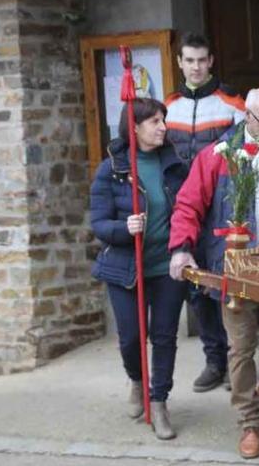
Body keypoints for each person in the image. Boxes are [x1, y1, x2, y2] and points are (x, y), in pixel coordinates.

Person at [168, 88, 259, 459]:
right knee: (241, 350)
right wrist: (181, 248)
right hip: (236, 265)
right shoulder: (217, 155)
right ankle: (249, 423)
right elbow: (188, 204)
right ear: (248, 117)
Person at [90, 98, 189, 440]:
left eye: (164, 120)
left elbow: (188, 210)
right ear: (134, 127)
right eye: (155, 122)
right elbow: (98, 223)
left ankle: (159, 400)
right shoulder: (112, 169)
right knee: (132, 336)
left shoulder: (174, 164)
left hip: (166, 267)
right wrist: (124, 228)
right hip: (125, 269)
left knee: (164, 336)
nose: (163, 127)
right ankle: (137, 379)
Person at [165, 32, 246, 394]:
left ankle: (236, 359)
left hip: (223, 211)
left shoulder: (233, 104)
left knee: (227, 286)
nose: (196, 67)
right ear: (179, 62)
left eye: (202, 60)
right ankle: (214, 360)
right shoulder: (167, 108)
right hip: (183, 210)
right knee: (196, 290)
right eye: (189, 60)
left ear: (211, 61)